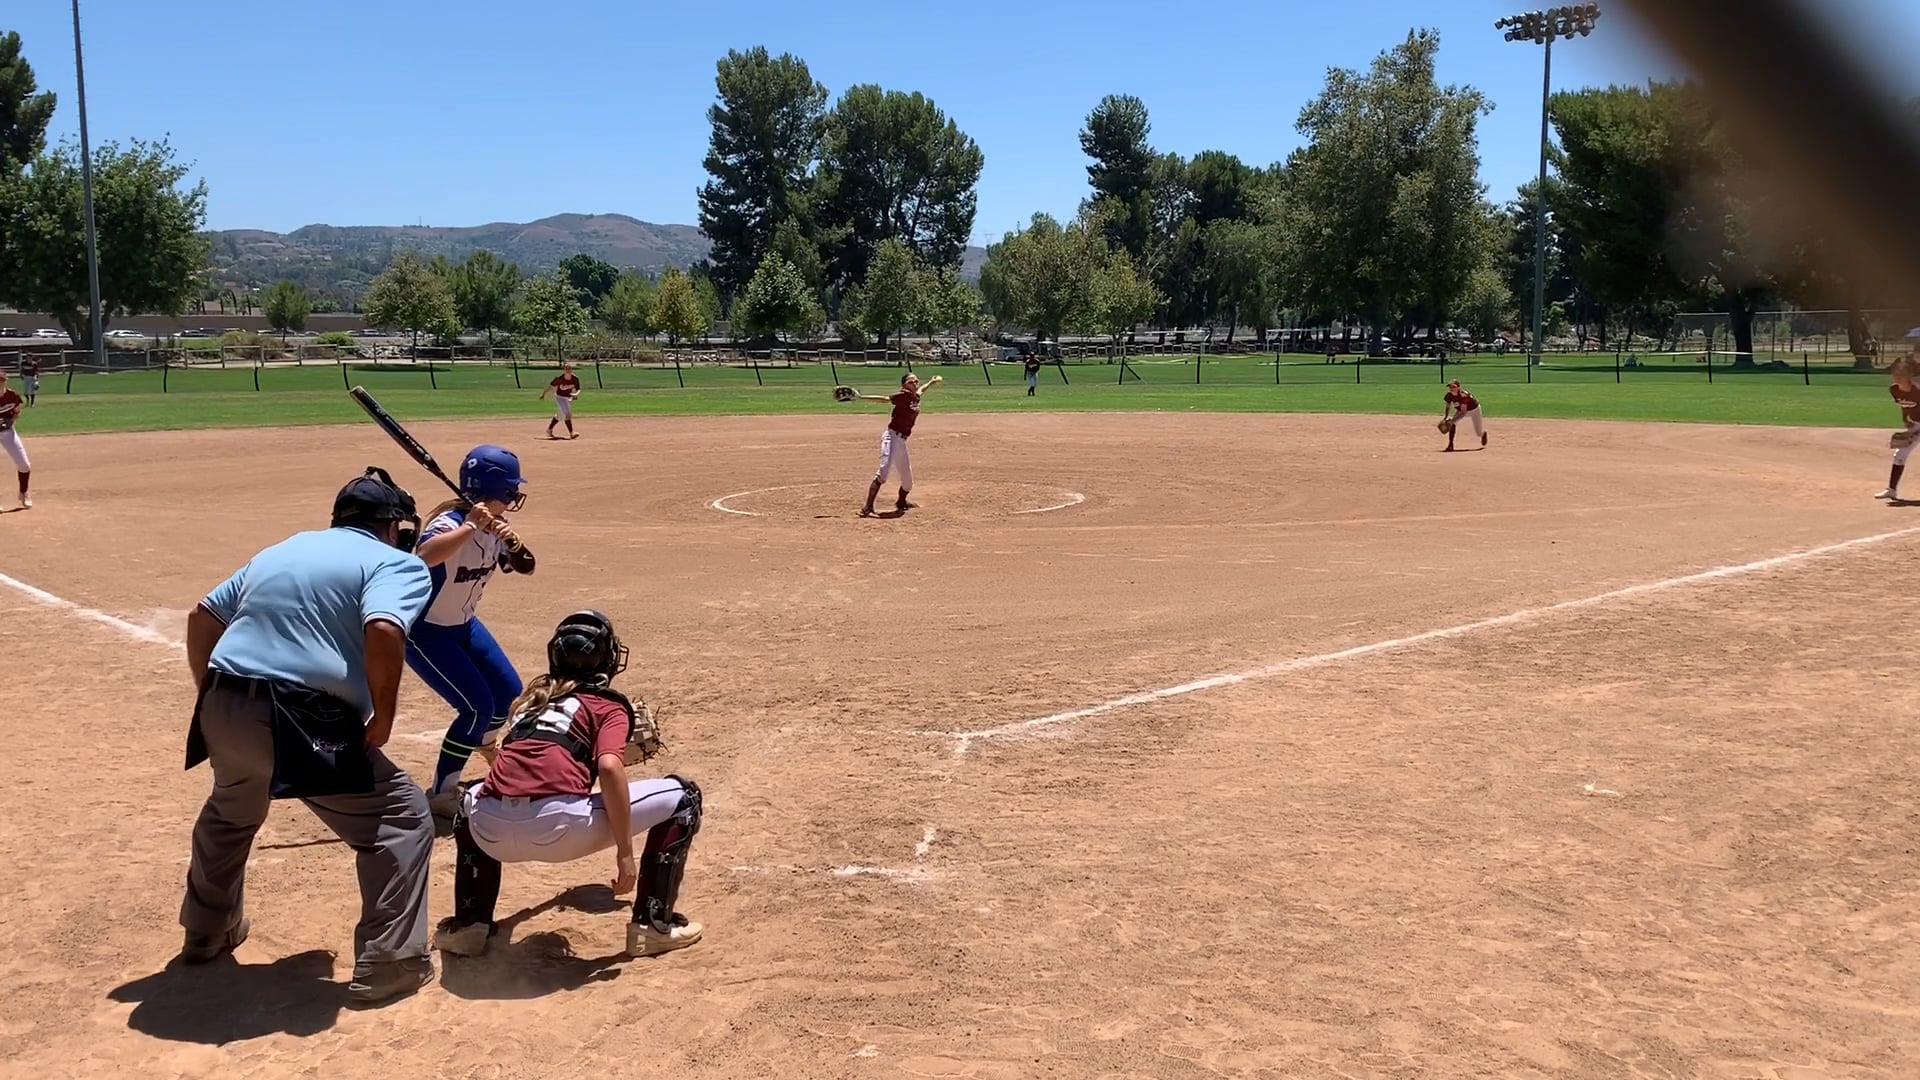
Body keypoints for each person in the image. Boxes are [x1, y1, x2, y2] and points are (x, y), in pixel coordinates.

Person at [179, 467, 437, 1005]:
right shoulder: (396, 562)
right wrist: (384, 716)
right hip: (299, 714)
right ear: (393, 526)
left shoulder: (286, 548)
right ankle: (390, 961)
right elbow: (384, 628)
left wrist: (214, 693)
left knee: (231, 810)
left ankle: (206, 931)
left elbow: (203, 616)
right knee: (401, 815)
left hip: (223, 698)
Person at [433, 610, 704, 960]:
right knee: (683, 796)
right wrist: (625, 853)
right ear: (607, 659)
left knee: (470, 799)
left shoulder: (529, 702)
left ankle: (469, 925)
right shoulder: (608, 705)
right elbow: (608, 767)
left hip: (490, 833)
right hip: (560, 828)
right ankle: (653, 926)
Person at [406, 445, 534, 824]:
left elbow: (526, 566)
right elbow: (425, 555)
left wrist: (512, 542)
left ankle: (483, 742)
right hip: (426, 633)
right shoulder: (450, 524)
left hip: (464, 626)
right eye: (511, 490)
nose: (514, 496)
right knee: (476, 708)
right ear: (497, 489)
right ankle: (442, 793)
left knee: (508, 693)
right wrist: (470, 527)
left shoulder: (493, 527)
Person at [850, 372, 941, 517]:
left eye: (916, 381)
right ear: (904, 385)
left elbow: (921, 390)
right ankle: (867, 508)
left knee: (908, 482)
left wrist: (931, 381)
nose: (915, 383)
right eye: (911, 382)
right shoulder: (903, 395)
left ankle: (901, 502)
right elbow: (885, 399)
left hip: (901, 441)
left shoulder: (915, 396)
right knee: (883, 473)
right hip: (891, 438)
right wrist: (861, 397)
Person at [1878, 357, 1920, 500]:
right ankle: (1891, 490)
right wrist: (1905, 419)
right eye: (1895, 374)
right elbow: (1904, 404)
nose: (1897, 377)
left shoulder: (1917, 391)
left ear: (1909, 376)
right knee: (1899, 455)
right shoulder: (1894, 389)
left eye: (1901, 374)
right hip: (1916, 424)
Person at [0, 371, 29, 509]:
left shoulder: (12, 395)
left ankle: (23, 493)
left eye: (1, 381)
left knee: (24, 465)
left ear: (5, 381)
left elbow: (17, 411)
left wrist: (10, 421)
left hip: (8, 432)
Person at [1441, 379, 1488, 452]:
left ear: (1458, 387)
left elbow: (1463, 412)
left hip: (1474, 410)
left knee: (1478, 433)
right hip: (1461, 410)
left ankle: (1483, 434)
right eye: (1450, 387)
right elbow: (1447, 407)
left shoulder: (1463, 395)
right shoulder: (1449, 395)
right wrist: (1446, 417)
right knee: (1453, 424)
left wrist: (1452, 420)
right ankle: (1450, 445)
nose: (1451, 388)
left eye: (1454, 387)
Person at [540, 363, 582, 440]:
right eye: (566, 368)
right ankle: (571, 433)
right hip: (559, 397)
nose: (568, 370)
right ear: (563, 370)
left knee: (560, 416)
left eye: (569, 368)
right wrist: (543, 394)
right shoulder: (559, 379)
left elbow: (578, 389)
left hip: (567, 398)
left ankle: (549, 430)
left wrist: (576, 394)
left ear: (571, 370)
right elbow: (550, 386)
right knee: (567, 414)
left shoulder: (575, 379)